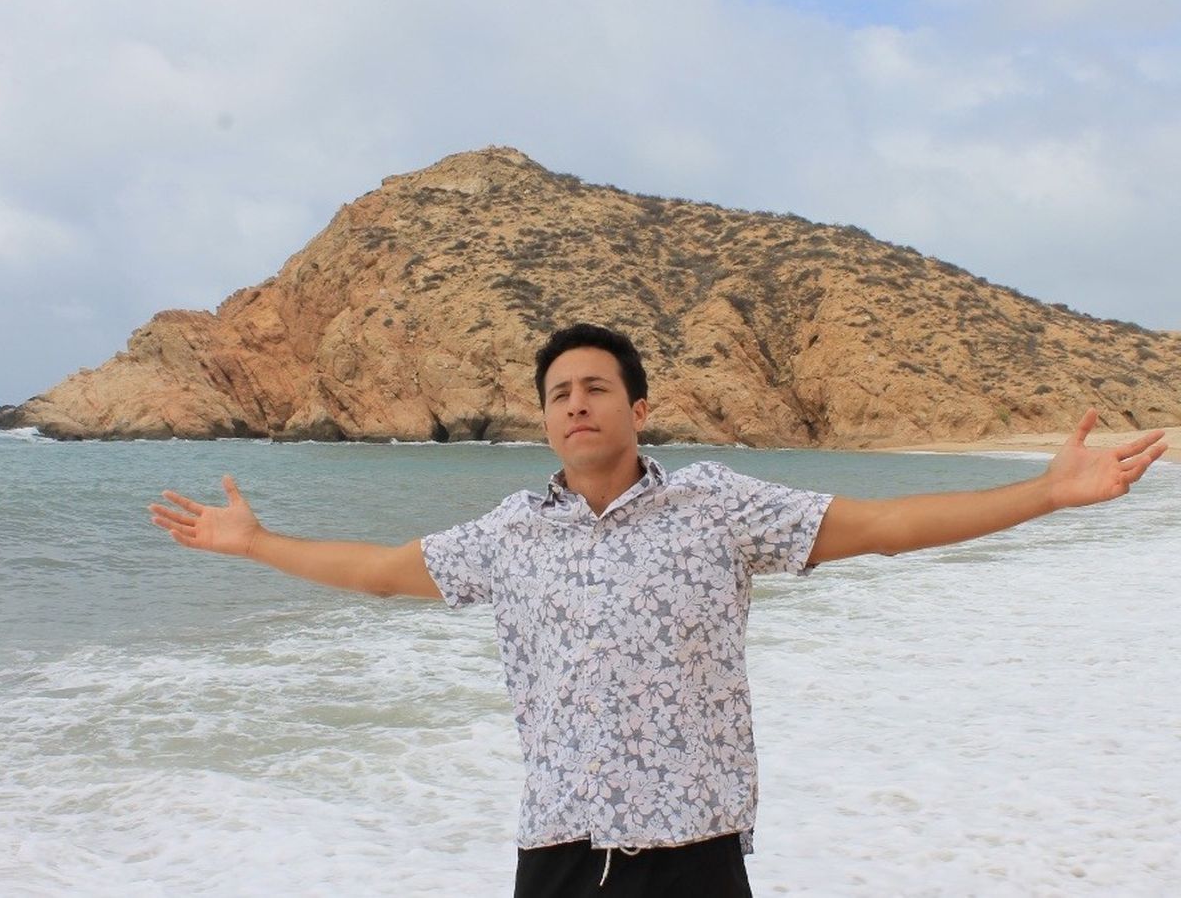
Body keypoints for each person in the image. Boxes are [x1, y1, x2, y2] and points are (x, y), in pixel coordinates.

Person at [150, 323, 1167, 897]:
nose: (577, 402)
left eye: (597, 387)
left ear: (638, 410)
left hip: (691, 859)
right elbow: (380, 571)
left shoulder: (717, 507)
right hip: (556, 852)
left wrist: (1046, 493)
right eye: (560, 392)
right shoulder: (512, 533)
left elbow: (887, 524)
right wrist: (256, 543)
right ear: (545, 421)